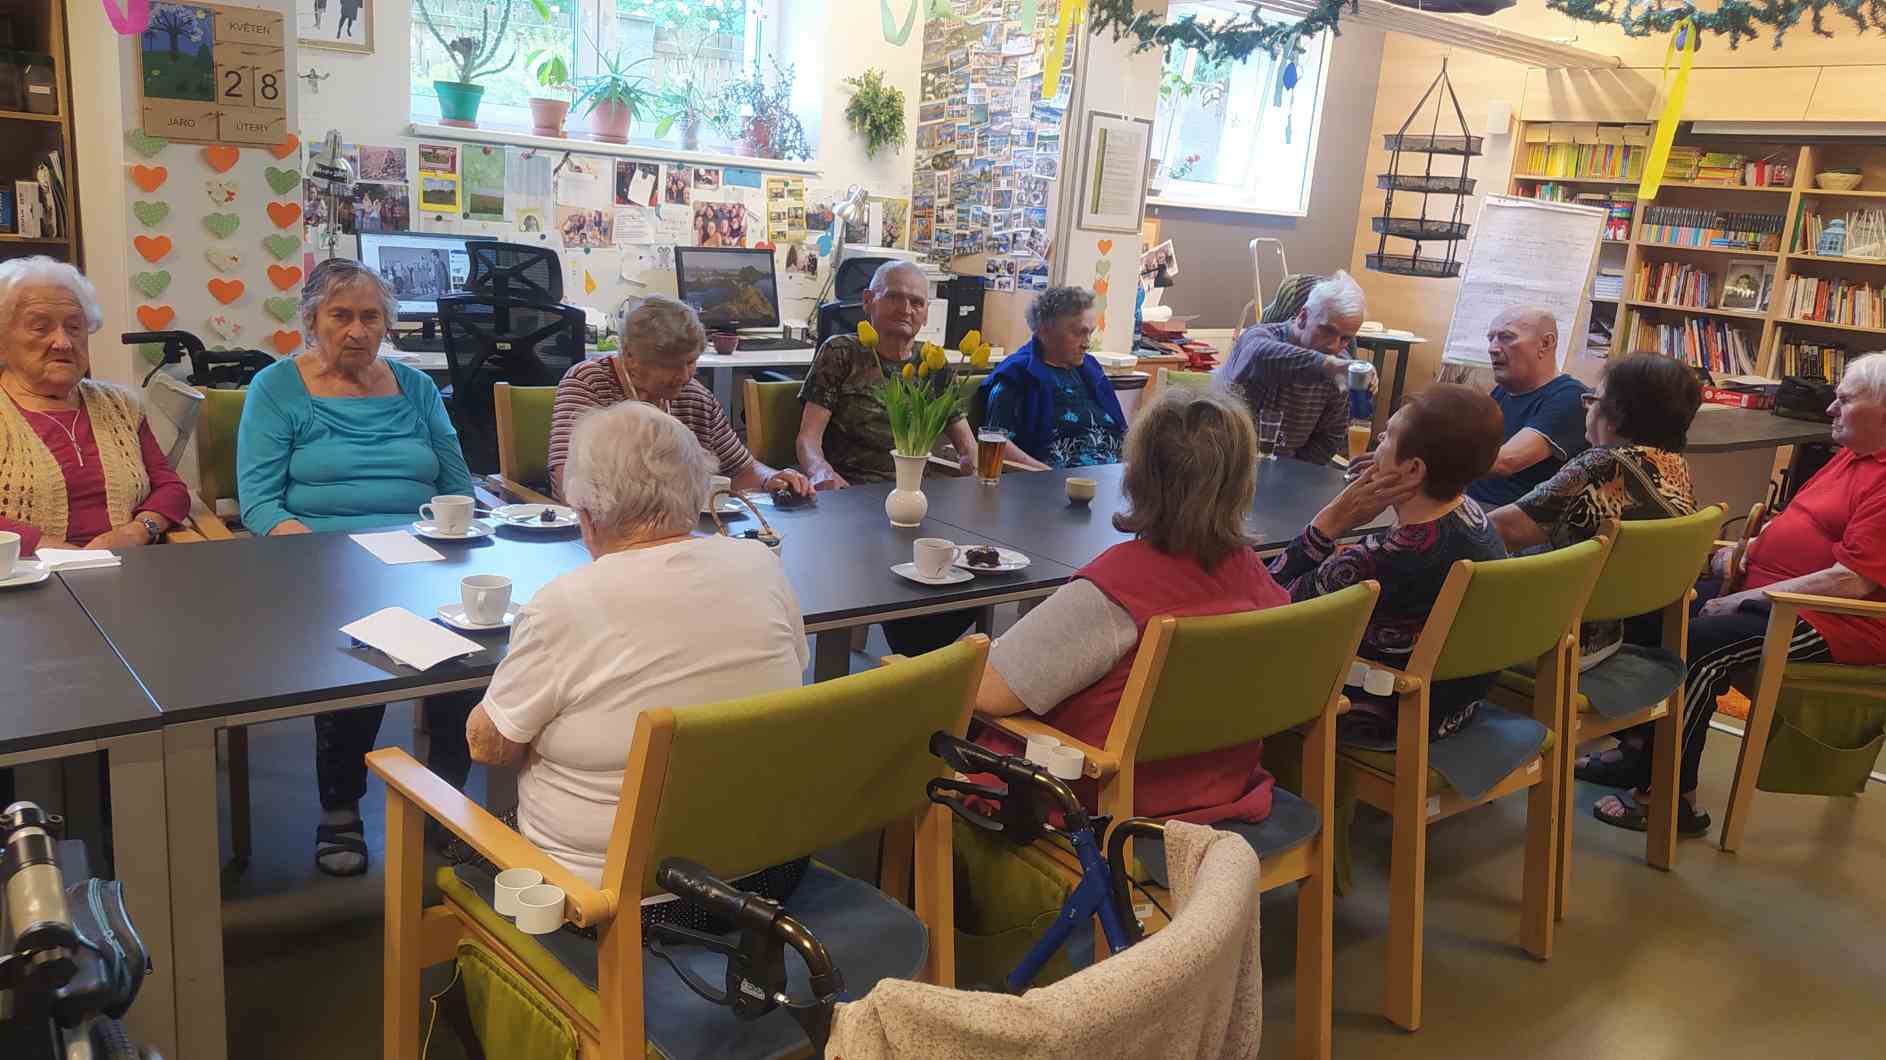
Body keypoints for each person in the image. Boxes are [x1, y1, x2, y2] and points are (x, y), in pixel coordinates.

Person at [466, 402, 809, 919]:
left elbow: (489, 746)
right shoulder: (761, 564)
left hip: (611, 899)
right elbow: (794, 673)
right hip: (766, 875)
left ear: (587, 516)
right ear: (697, 491)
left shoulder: (562, 605)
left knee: (455, 831)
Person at [237, 258, 479, 876]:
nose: (357, 330)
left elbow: (457, 485)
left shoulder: (416, 388)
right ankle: (341, 805)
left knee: (475, 643)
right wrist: (315, 552)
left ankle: (444, 795)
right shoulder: (276, 388)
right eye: (340, 316)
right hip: (324, 563)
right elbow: (259, 503)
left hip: (423, 555)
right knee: (365, 650)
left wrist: (449, 537)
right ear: (311, 320)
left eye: (371, 317)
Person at [1579, 353, 1886, 837]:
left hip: (1835, 620)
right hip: (1776, 593)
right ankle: (1639, 750)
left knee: (1696, 647)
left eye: (1845, 400)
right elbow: (1801, 524)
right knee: (1646, 604)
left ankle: (1671, 798)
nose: (1830, 409)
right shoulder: (1853, 454)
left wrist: (1752, 597)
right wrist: (1748, 550)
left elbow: (1851, 580)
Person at [975, 387, 1290, 821]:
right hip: (1222, 792)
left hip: (1101, 805)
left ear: (1137, 476)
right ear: (1241, 483)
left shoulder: (1118, 591)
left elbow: (987, 693)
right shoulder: (1259, 582)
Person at [1270, 384, 1510, 742]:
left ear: (1413, 470)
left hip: (1379, 712)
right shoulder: (1474, 520)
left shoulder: (1384, 557)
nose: (1379, 439)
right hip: (1451, 708)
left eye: (1389, 435)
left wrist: (1328, 524)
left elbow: (1266, 606)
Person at [1488, 352, 1701, 668]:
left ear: (1616, 413)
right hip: (1607, 636)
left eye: (1593, 400)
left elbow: (1502, 530)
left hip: (1553, 638)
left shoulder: (1603, 464)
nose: (1587, 409)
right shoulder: (1674, 466)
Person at [0, 257, 190, 555]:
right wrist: (47, 548)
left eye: (75, 327)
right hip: (21, 573)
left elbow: (171, 488)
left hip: (127, 564)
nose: (63, 342)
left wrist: (137, 531)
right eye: (40, 327)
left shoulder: (120, 406)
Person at [546, 295, 810, 499]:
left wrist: (771, 478)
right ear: (630, 356)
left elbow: (741, 469)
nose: (684, 376)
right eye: (670, 365)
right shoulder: (588, 383)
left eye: (691, 362)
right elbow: (568, 483)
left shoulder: (694, 396)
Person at [798, 260, 1014, 488]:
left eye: (917, 302)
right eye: (893, 297)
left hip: (916, 492)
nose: (906, 310)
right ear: (868, 301)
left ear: (926, 313)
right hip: (850, 490)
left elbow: (967, 446)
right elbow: (808, 439)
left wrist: (977, 473)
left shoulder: (933, 362)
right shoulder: (840, 352)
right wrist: (821, 472)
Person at [1213, 270, 1364, 465]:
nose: (1334, 346)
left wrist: (1291, 472)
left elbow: (1329, 436)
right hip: (1224, 463)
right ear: (1303, 317)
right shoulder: (1258, 337)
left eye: (1345, 339)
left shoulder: (1339, 365)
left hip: (1286, 471)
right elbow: (1259, 356)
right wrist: (1326, 366)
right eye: (1328, 331)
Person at [977, 285, 1119, 468]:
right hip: (1054, 480)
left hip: (1113, 475)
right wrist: (1047, 475)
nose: (1087, 344)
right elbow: (997, 443)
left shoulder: (1091, 370)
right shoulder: (1017, 377)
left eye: (1090, 332)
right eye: (1078, 333)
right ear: (1044, 331)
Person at [1464, 307, 1590, 509]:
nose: (1492, 348)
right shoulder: (1504, 390)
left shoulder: (1570, 397)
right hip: (1468, 500)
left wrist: (1431, 457)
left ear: (1545, 343)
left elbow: (1506, 461)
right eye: (1491, 339)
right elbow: (1467, 442)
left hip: (1506, 513)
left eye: (1507, 337)